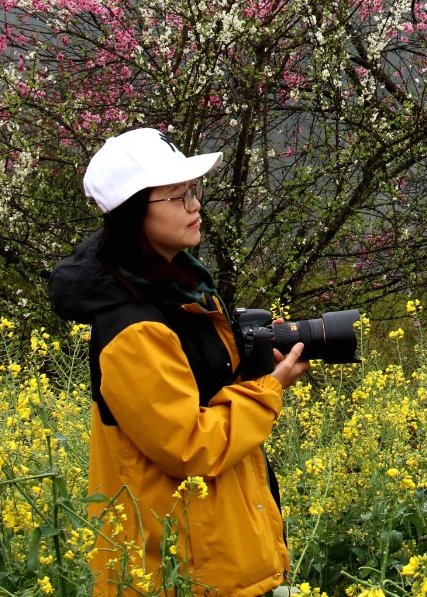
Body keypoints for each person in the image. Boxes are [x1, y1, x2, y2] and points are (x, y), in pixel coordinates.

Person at [49, 127, 308, 597]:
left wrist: (254, 363)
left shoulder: (182, 291)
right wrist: (269, 389)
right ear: (132, 214)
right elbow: (190, 445)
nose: (195, 206)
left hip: (220, 554)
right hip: (179, 570)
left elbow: (208, 392)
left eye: (194, 191)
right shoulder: (134, 327)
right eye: (178, 196)